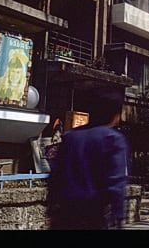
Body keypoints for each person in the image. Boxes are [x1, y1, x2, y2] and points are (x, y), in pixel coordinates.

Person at [47, 87, 130, 230]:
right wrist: (118, 215)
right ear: (115, 115)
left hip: (65, 212)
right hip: (93, 213)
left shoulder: (69, 136)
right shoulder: (113, 139)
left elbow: (55, 175)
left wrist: (51, 207)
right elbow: (116, 182)